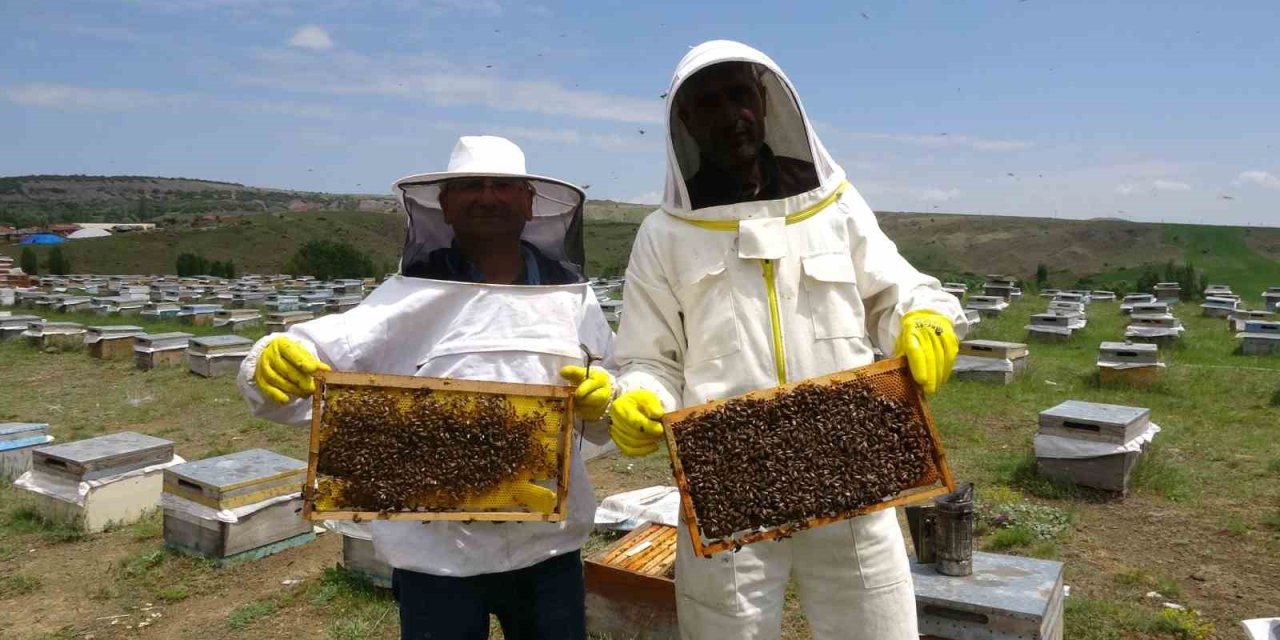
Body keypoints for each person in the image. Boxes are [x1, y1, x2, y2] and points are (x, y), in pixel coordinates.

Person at [608, 41, 968, 640]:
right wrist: (641, 394)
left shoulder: (835, 207)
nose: (729, 115)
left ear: (765, 99)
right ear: (686, 123)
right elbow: (651, 357)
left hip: (852, 464)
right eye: (708, 104)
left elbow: (900, 291)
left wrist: (927, 318)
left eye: (738, 95)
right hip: (726, 478)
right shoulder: (665, 234)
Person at [236, 135, 614, 640]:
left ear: (528, 203)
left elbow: (610, 406)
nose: (489, 197)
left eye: (503, 186)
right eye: (471, 187)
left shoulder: (573, 299)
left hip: (548, 549)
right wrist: (267, 361)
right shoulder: (403, 298)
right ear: (445, 206)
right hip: (437, 559)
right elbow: (303, 367)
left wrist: (607, 399)